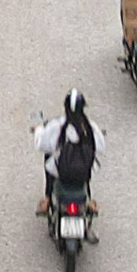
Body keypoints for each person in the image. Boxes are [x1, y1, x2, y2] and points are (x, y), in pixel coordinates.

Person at [34, 91, 99, 221]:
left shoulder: (56, 125)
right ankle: (89, 200)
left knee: (49, 156)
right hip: (82, 174)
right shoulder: (89, 127)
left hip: (61, 173)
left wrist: (38, 130)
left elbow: (42, 145)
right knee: (87, 162)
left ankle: (47, 198)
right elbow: (100, 147)